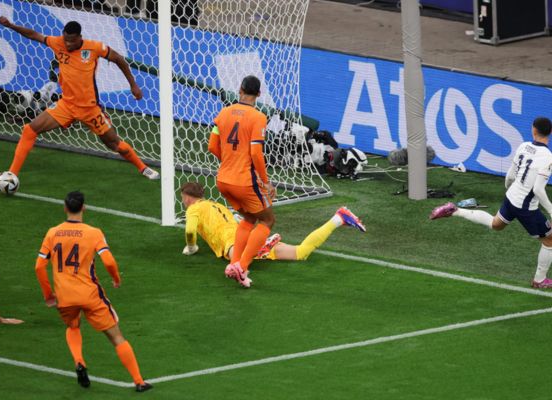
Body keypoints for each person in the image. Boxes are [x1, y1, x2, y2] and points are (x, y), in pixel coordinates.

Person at [0, 18, 159, 187]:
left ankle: (143, 168)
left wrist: (133, 85)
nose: (67, 44)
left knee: (114, 144)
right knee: (30, 129)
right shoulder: (57, 42)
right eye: (65, 40)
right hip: (66, 105)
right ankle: (12, 174)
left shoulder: (95, 47)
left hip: (90, 109)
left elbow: (119, 59)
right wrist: (11, 26)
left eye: (71, 41)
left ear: (79, 37)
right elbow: (33, 35)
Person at [34, 191, 152, 392]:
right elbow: (108, 261)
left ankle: (79, 361)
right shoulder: (93, 232)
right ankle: (139, 381)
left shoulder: (52, 233)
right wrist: (116, 278)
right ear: (84, 208)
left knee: (73, 326)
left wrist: (48, 294)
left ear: (65, 208)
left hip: (65, 296)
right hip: (90, 295)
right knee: (116, 336)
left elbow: (38, 267)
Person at [430, 117, 552, 289]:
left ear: (533, 130)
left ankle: (455, 210)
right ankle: (539, 280)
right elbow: (539, 190)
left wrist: (509, 192)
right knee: (549, 240)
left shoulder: (523, 146)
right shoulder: (547, 157)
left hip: (512, 196)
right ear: (550, 132)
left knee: (496, 224)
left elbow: (510, 175)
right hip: (525, 206)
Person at [180, 182, 366, 262]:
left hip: (234, 241)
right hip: (249, 235)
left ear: (187, 198)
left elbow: (189, 231)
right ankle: (338, 218)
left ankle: (257, 248)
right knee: (299, 253)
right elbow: (237, 219)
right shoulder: (216, 204)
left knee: (234, 261)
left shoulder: (193, 209)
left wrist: (191, 247)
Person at [208, 75, 276, 288]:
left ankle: (234, 263)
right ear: (259, 94)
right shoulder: (258, 117)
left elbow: (212, 146)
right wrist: (266, 182)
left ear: (239, 89)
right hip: (245, 181)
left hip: (223, 180)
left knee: (248, 218)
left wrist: (229, 161)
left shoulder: (223, 113)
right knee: (267, 221)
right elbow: (256, 153)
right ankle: (242, 266)